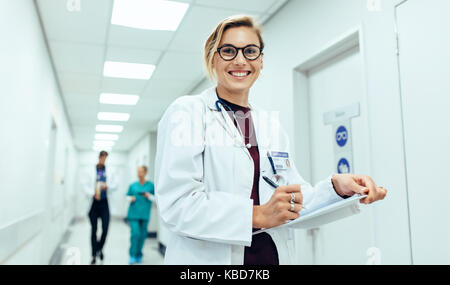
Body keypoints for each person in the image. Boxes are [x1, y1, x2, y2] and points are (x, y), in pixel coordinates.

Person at [154, 15, 387, 265]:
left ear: (261, 61)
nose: (241, 60)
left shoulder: (268, 124)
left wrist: (337, 188)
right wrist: (256, 215)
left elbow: (291, 201)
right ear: (213, 58)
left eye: (250, 51)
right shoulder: (188, 112)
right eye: (229, 51)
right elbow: (177, 205)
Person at [84, 150, 117, 265]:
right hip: (93, 203)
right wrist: (93, 193)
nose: (104, 160)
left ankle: (99, 248)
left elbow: (115, 185)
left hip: (105, 203)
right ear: (99, 158)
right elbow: (84, 185)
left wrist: (107, 186)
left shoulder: (109, 171)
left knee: (105, 228)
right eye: (102, 158)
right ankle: (94, 254)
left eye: (105, 158)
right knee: (94, 230)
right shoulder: (91, 170)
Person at [125, 166, 155, 265]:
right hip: (133, 214)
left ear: (145, 172)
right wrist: (131, 198)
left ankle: (139, 254)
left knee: (142, 235)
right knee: (135, 234)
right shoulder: (133, 185)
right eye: (138, 172)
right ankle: (132, 255)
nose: (139, 174)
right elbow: (127, 196)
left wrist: (149, 196)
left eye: (141, 172)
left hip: (145, 214)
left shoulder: (151, 185)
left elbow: (157, 198)